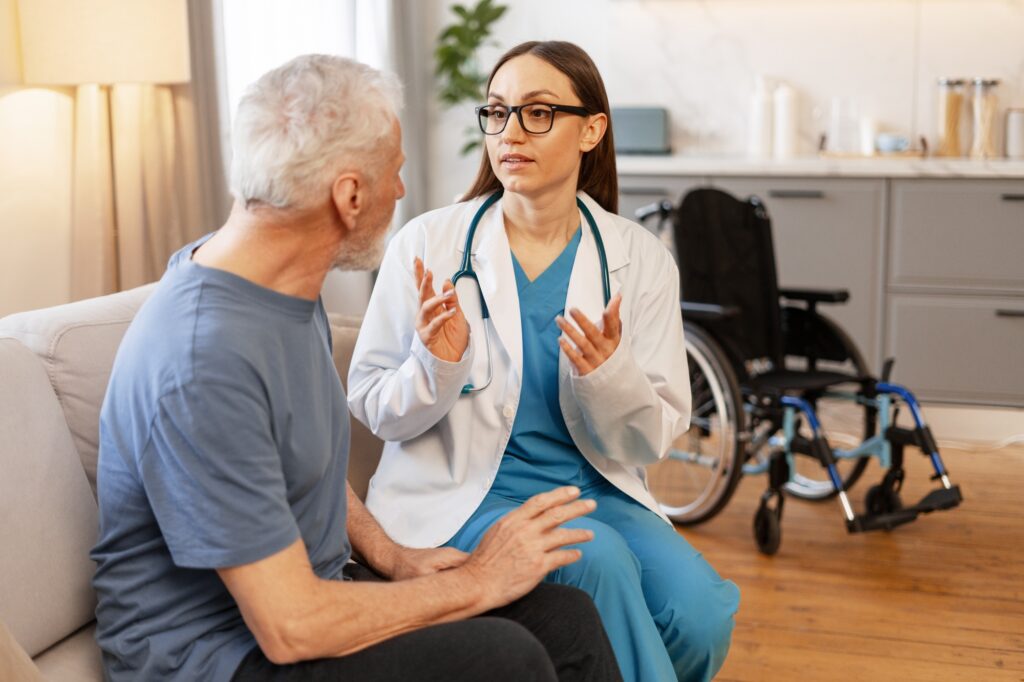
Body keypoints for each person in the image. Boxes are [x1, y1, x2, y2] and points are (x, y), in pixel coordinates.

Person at [90, 54, 623, 682]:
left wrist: (394, 557)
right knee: (505, 657)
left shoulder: (282, 285)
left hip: (313, 593)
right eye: (394, 173)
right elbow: (292, 628)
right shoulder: (202, 358)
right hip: (222, 656)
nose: (400, 191)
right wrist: (479, 579)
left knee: (566, 619)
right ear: (349, 195)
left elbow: (292, 467)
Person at [348, 41, 741, 682]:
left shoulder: (639, 260)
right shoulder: (428, 244)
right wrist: (435, 366)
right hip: (464, 495)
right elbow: (372, 406)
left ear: (592, 130)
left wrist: (608, 378)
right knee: (600, 563)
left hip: (595, 489)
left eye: (537, 114)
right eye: (498, 113)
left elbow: (654, 437)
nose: (510, 133)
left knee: (700, 615)